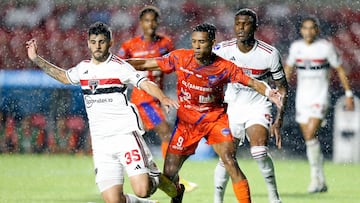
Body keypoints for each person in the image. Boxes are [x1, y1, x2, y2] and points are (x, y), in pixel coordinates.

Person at [127, 23, 284, 203]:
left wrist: (268, 92)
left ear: (212, 42)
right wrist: (118, 65)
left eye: (201, 42)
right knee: (168, 176)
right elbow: (147, 63)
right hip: (187, 123)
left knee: (229, 161)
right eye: (194, 42)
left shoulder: (224, 67)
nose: (196, 46)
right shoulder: (180, 58)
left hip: (214, 120)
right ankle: (178, 192)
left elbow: (253, 82)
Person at [26, 21, 180, 203]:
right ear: (88, 43)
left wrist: (162, 97)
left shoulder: (119, 66)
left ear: (110, 42)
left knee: (142, 190)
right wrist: (36, 59)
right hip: (101, 143)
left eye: (101, 41)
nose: (97, 46)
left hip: (125, 135)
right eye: (93, 42)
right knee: (114, 200)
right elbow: (64, 77)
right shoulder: (83, 69)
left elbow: (145, 82)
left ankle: (158, 179)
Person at [116, 5, 197, 192]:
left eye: (153, 20)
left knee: (134, 136)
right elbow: (119, 64)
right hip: (142, 98)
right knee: (166, 133)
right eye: (146, 20)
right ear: (141, 23)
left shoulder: (166, 43)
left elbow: (176, 64)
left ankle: (150, 175)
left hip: (156, 97)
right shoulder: (130, 45)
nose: (150, 24)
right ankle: (171, 179)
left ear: (158, 22)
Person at [212, 8, 288, 203]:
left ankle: (274, 198)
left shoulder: (269, 54)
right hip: (232, 107)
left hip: (258, 106)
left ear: (255, 27)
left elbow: (282, 88)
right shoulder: (222, 50)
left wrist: (279, 120)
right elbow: (204, 72)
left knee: (259, 151)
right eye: (238, 23)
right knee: (225, 158)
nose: (241, 28)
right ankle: (217, 200)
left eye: (246, 24)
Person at [284, 16, 355, 193]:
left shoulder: (325, 48)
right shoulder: (296, 48)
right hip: (302, 98)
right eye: (305, 28)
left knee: (310, 134)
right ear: (301, 31)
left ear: (317, 30)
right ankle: (320, 179)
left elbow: (339, 69)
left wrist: (348, 94)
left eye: (312, 28)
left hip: (320, 96)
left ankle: (315, 179)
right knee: (310, 139)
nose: (308, 32)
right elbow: (288, 68)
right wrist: (280, 88)